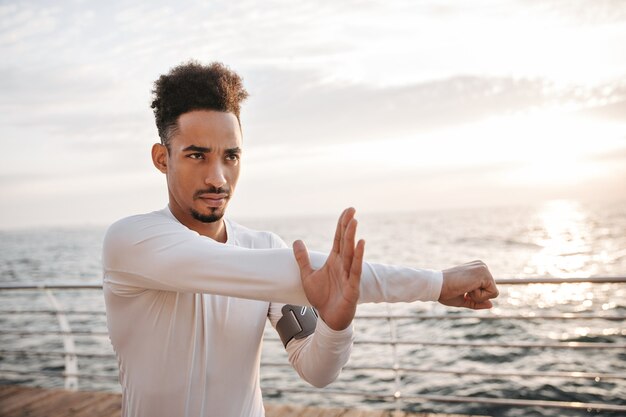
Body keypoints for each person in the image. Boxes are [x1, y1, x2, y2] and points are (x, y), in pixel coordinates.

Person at [102, 61, 499, 417]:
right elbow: (296, 272)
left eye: (231, 157)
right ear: (161, 158)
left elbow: (317, 371)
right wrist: (438, 283)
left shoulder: (264, 249)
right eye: (197, 155)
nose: (218, 178)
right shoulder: (132, 242)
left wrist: (335, 323)